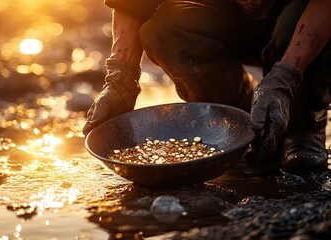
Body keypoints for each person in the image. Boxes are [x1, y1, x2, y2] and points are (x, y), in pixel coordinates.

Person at [82, 0, 331, 173]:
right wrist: (120, 79)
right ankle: (238, 121)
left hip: (308, 17)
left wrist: (284, 78)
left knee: (292, 25)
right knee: (166, 30)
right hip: (230, 13)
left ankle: (304, 126)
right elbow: (131, 4)